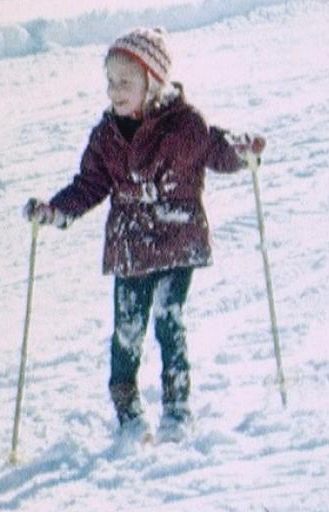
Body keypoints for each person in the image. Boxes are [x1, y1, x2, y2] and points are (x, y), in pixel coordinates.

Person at [24, 27, 265, 440]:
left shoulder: (186, 125)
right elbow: (89, 185)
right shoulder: (106, 136)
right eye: (110, 82)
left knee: (169, 320)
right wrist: (55, 211)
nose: (115, 91)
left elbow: (216, 149)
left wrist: (242, 152)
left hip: (176, 239)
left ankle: (177, 405)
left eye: (125, 82)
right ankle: (128, 407)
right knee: (128, 329)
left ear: (152, 82)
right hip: (131, 246)